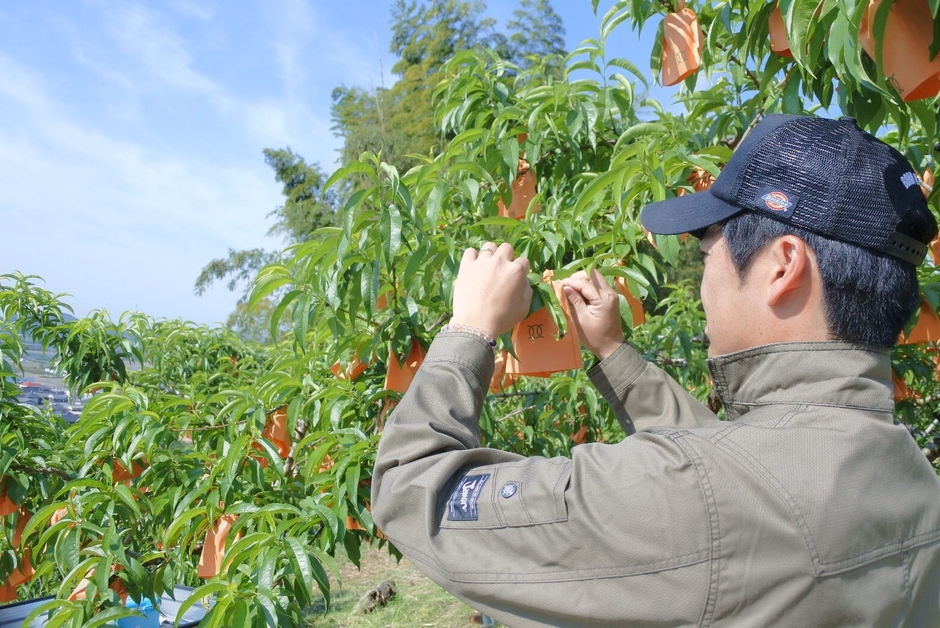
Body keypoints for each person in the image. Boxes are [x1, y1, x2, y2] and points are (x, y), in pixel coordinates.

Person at [370, 114, 940, 626]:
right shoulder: (908, 474)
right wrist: (615, 353)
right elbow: (741, 471)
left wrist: (470, 329)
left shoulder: (698, 499)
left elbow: (412, 491)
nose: (702, 274)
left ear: (782, 266)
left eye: (707, 247)